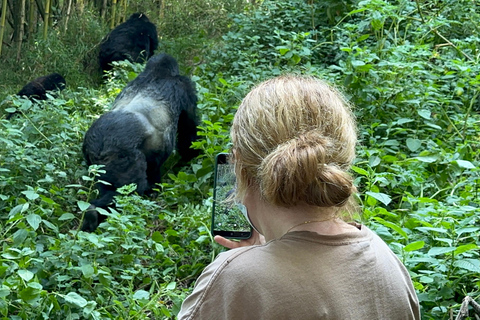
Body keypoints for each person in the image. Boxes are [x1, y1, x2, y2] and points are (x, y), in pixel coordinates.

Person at [178, 75, 420, 319]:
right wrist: (268, 250)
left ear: (239, 168)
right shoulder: (386, 260)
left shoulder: (234, 279)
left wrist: (251, 261)